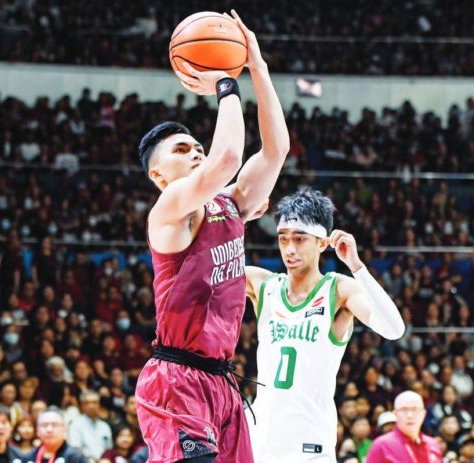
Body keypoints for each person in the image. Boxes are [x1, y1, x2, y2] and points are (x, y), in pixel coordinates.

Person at [135, 9, 289, 463]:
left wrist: (256, 68)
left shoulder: (229, 205)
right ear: (160, 176)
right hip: (176, 378)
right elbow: (226, 159)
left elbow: (276, 150)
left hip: (222, 381)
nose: (197, 152)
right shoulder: (168, 211)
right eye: (183, 150)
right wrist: (225, 83)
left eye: (197, 146)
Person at [244, 188, 404, 462]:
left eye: (300, 239)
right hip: (262, 439)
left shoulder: (338, 289)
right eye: (283, 239)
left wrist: (356, 266)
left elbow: (393, 329)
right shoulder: (262, 284)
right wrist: (235, 221)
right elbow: (200, 278)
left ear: (321, 243)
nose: (290, 249)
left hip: (311, 441)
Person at [365, 391, 442, 463]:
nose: (410, 415)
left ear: (423, 414)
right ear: (395, 414)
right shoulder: (381, 445)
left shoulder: (433, 444)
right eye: (404, 410)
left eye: (414, 409)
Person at [23, 408, 88, 463]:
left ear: (65, 429)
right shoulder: (29, 458)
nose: (49, 430)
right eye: (44, 425)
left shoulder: (76, 457)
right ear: (37, 431)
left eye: (54, 425)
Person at [67, 390, 112, 461]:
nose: (91, 406)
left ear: (99, 405)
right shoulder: (75, 425)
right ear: (81, 406)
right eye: (87, 403)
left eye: (94, 402)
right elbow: (75, 449)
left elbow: (109, 450)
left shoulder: (104, 426)